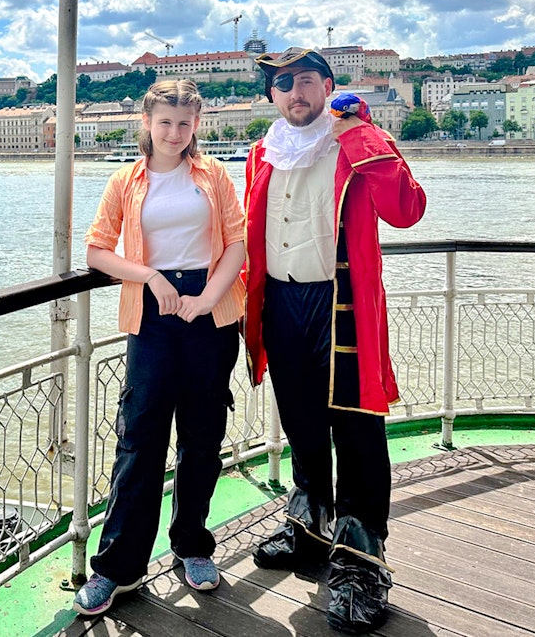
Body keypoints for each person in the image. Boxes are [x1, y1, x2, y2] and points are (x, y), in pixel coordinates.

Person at [242, 48, 427, 634]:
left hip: (339, 300)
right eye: (282, 84)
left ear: (327, 86)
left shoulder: (356, 143)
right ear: (272, 96)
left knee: (357, 430)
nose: (294, 93)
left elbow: (407, 210)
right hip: (280, 302)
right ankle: (311, 529)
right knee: (300, 423)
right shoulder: (262, 152)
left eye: (304, 81)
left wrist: (361, 135)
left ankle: (361, 562)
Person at [73, 79, 246, 616]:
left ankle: (191, 545)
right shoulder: (126, 180)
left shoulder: (213, 175)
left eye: (184, 123)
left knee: (202, 435)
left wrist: (207, 298)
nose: (174, 133)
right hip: (151, 312)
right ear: (146, 123)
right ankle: (118, 567)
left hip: (209, 312)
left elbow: (236, 243)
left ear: (197, 124)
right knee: (141, 437)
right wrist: (149, 275)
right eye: (165, 122)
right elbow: (97, 251)